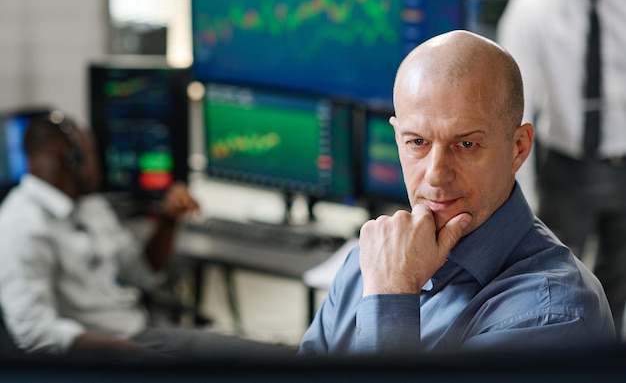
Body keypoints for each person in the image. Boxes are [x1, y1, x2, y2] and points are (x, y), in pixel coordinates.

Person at [298, 30, 616, 356]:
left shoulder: (554, 317)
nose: (436, 173)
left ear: (518, 148)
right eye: (417, 142)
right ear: (398, 139)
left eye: (466, 144)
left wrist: (391, 296)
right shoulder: (368, 262)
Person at [0, 110, 284, 359]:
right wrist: (128, 356)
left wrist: (168, 218)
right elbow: (33, 333)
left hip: (143, 335)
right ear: (71, 158)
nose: (101, 163)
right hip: (99, 357)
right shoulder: (22, 226)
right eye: (93, 154)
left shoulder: (90, 205)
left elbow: (143, 273)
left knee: (274, 358)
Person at [497, 0, 626, 337]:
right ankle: (557, 361)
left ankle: (603, 362)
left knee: (616, 287)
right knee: (551, 287)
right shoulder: (532, 5)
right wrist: (518, 197)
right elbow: (514, 112)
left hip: (623, 163)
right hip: (566, 169)